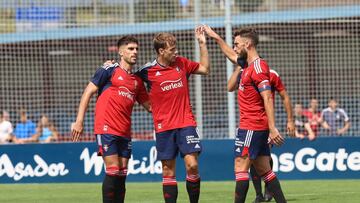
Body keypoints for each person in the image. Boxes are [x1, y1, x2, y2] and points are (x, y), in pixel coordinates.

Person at [203, 25, 287, 203]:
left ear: (248, 44)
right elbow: (231, 55)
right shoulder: (247, 65)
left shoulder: (258, 68)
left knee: (240, 168)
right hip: (256, 126)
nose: (234, 47)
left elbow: (268, 99)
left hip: (252, 126)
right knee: (264, 169)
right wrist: (215, 37)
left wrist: (273, 128)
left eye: (237, 44)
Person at [71, 35, 150, 203]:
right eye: (130, 49)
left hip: (125, 131)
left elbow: (150, 107)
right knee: (113, 170)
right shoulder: (109, 69)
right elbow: (88, 92)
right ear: (121, 52)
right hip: (106, 127)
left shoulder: (137, 81)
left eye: (136, 49)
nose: (134, 52)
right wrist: (79, 121)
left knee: (122, 174)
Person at [136, 29, 209, 203]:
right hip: (164, 127)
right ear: (161, 51)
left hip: (186, 123)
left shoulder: (182, 63)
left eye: (176, 48)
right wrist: (147, 104)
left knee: (192, 165)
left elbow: (205, 69)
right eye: (172, 49)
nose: (175, 52)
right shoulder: (147, 71)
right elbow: (133, 85)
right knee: (168, 171)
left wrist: (202, 44)